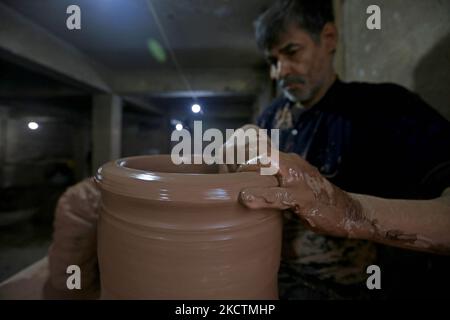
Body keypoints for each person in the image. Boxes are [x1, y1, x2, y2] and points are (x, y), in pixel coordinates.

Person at [47, 0, 450, 299]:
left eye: (291, 53)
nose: (280, 72)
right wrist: (229, 154)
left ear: (328, 38)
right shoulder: (274, 116)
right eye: (272, 61)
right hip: (268, 273)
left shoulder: (385, 108)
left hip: (348, 285)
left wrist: (351, 211)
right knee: (85, 200)